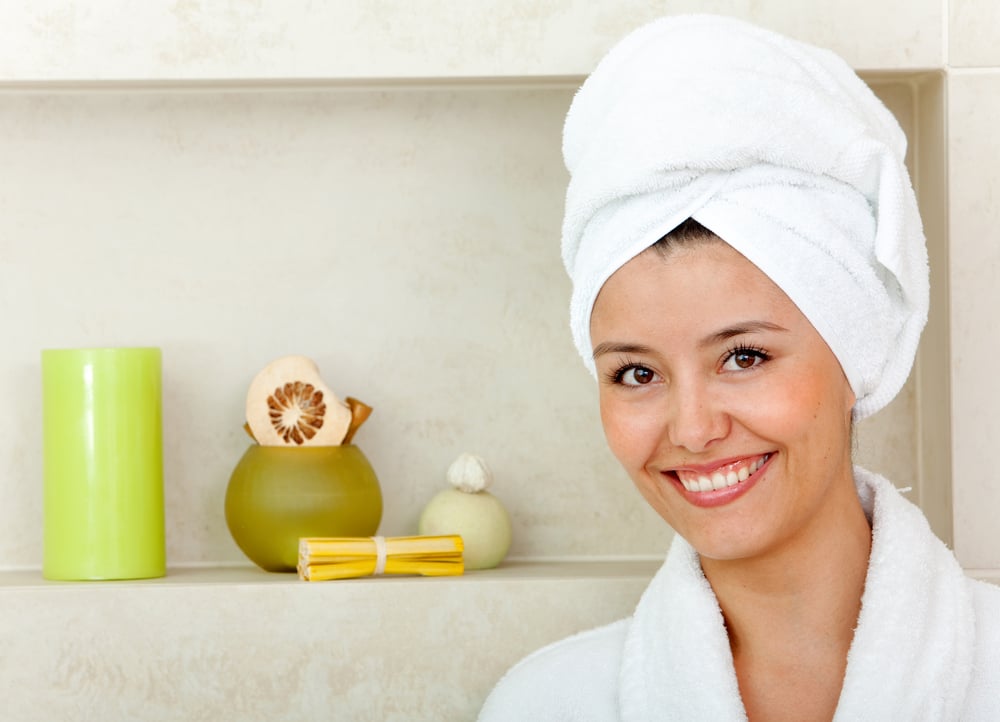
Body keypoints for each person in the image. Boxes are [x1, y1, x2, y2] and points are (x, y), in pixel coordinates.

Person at [478, 14, 1000, 722]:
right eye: (636, 373)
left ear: (857, 356)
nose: (692, 429)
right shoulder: (548, 706)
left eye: (743, 357)